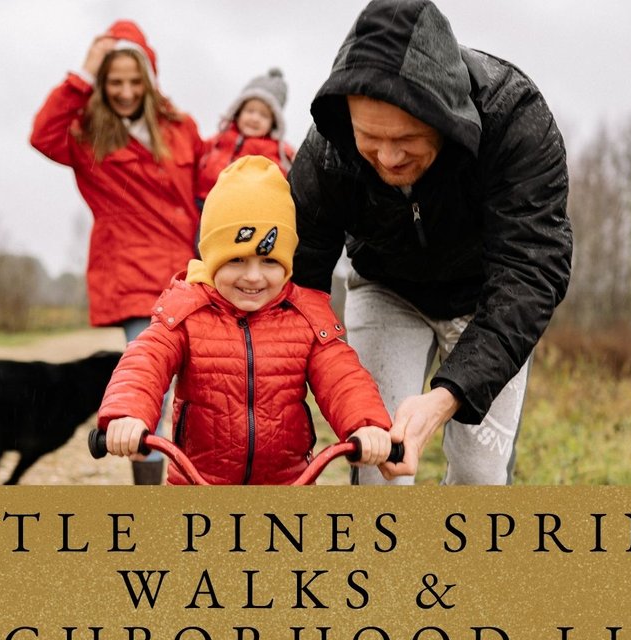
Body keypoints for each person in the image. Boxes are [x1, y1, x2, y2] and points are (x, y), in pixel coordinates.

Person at [289, 0, 573, 486]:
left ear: (446, 117)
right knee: (379, 466)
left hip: (485, 299)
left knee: (479, 474)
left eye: (408, 137)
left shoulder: (516, 121)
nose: (389, 156)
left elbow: (532, 272)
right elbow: (301, 280)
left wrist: (446, 397)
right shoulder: (328, 150)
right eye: (370, 138)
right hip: (384, 286)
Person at [98, 156, 394, 485]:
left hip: (286, 485)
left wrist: (366, 424)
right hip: (197, 484)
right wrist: (128, 413)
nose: (253, 277)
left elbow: (342, 376)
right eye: (236, 259)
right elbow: (145, 360)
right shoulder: (187, 309)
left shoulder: (306, 315)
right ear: (211, 258)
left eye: (269, 260)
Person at [30, 20, 203, 485]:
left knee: (200, 388)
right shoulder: (88, 135)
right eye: (113, 81)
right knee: (152, 387)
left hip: (191, 273)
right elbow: (42, 136)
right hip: (135, 280)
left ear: (148, 80)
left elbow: (211, 186)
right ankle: (148, 498)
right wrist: (82, 73)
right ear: (102, 85)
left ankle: (196, 486)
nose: (125, 91)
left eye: (132, 81)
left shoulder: (182, 128)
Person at [196, 68, 296, 201]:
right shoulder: (219, 139)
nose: (255, 118)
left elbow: (279, 179)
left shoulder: (275, 152)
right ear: (238, 112)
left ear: (273, 123)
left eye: (264, 115)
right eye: (250, 111)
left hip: (238, 209)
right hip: (202, 202)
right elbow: (197, 154)